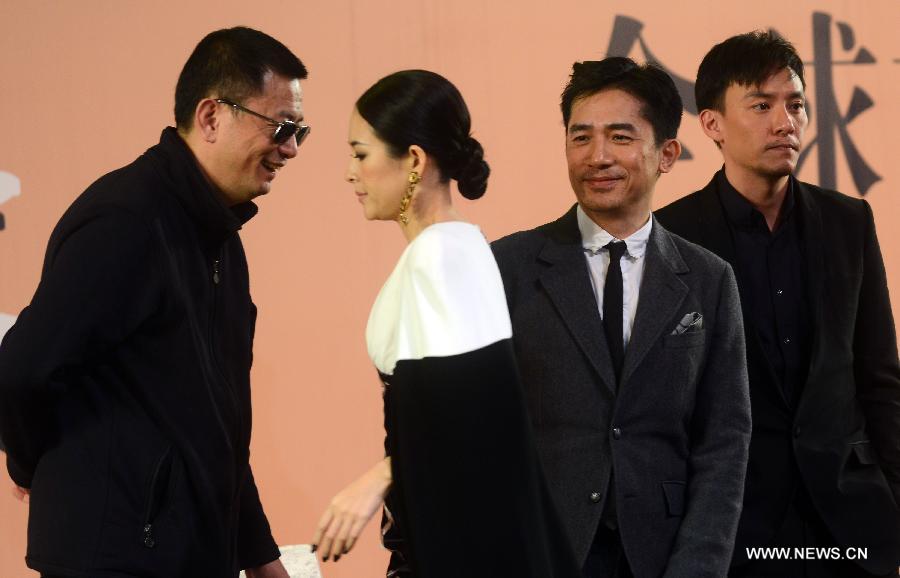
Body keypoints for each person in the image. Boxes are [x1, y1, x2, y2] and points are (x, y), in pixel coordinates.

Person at [0, 27, 309, 578]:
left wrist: (261, 559)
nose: (289, 149)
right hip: (116, 560)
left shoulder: (221, 242)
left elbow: (218, 427)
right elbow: (21, 367)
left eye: (298, 133)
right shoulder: (127, 220)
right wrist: (29, 463)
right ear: (212, 116)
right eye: (281, 127)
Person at [311, 69, 579, 577]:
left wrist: (376, 479)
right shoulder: (458, 246)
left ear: (413, 160)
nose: (349, 172)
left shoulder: (439, 256)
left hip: (461, 543)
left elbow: (481, 418)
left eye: (361, 153)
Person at [491, 57, 752, 577]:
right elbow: (480, 429)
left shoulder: (708, 279)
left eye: (620, 137)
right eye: (580, 137)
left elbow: (724, 440)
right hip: (540, 551)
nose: (598, 157)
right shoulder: (507, 267)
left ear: (667, 154)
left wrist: (698, 566)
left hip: (664, 554)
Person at [655, 31, 900, 577]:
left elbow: (880, 377)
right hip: (736, 528)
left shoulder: (848, 221)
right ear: (712, 125)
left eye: (795, 104)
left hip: (852, 523)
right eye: (761, 106)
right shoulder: (672, 237)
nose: (784, 122)